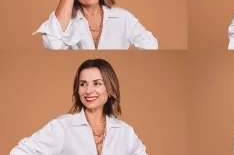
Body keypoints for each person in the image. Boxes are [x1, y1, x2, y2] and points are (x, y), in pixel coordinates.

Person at [10, 59, 147, 155]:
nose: (88, 91)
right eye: (83, 84)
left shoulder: (124, 132)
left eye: (97, 83)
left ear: (110, 87)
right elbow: (21, 152)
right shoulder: (62, 127)